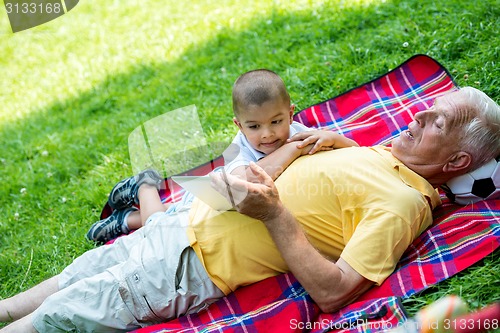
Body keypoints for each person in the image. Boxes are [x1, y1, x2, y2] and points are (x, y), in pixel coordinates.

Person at [1, 87, 498, 333]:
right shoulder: (382, 155)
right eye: (428, 106)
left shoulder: (404, 203)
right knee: (71, 278)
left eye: (438, 121)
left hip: (188, 268)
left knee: (58, 318)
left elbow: (336, 291)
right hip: (182, 224)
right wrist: (336, 143)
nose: (419, 113)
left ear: (455, 161)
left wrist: (275, 214)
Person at [85, 69, 358, 243]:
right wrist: (291, 150)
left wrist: (334, 138)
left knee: (169, 218)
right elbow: (249, 180)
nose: (267, 135)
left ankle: (124, 220)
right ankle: (144, 186)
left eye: (276, 122)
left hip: (231, 206)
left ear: (290, 113)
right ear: (239, 126)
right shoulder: (240, 149)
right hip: (212, 199)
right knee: (162, 228)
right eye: (254, 126)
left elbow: (356, 151)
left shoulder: (298, 132)